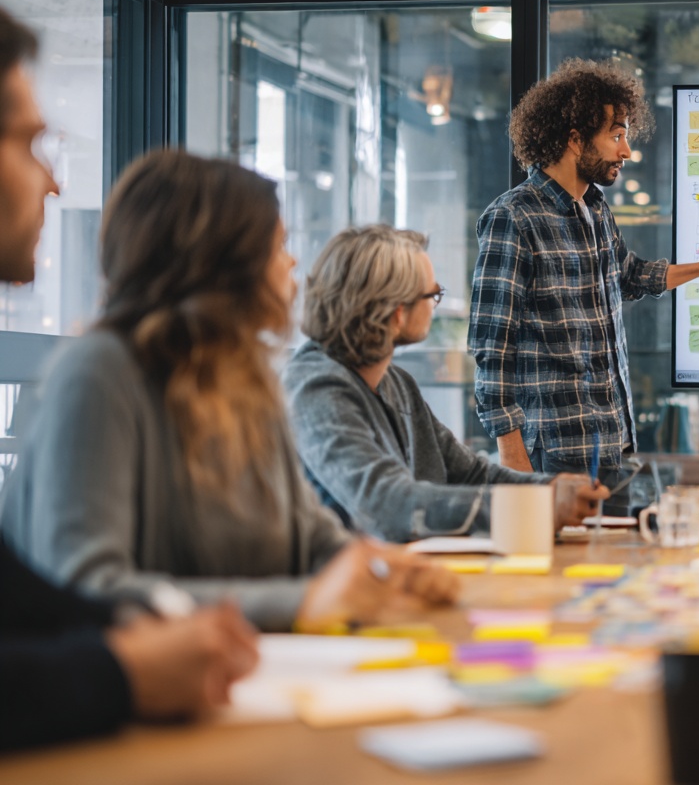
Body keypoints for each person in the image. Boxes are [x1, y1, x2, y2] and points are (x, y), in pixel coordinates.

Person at [1, 148, 460, 635]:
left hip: (238, 674)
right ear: (221, 261)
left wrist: (387, 570)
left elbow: (308, 535)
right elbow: (90, 586)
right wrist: (298, 604)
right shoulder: (100, 373)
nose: (293, 261)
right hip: (125, 698)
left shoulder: (247, 380)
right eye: (276, 244)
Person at [0, 6, 258, 750]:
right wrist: (120, 668)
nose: (52, 182)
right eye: (24, 143)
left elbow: (18, 599)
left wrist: (134, 628)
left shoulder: (244, 383)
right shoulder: (101, 371)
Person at [471, 58, 699, 488]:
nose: (626, 151)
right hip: (552, 453)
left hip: (610, 442)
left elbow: (629, 276)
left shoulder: (595, 209)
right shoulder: (512, 218)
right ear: (575, 139)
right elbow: (490, 349)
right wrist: (513, 461)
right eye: (615, 136)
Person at [283, 224, 610, 541]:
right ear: (397, 313)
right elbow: (389, 506)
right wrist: (532, 506)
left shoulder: (396, 382)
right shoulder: (317, 387)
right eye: (433, 294)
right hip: (346, 589)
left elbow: (470, 474)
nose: (435, 305)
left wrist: (549, 489)